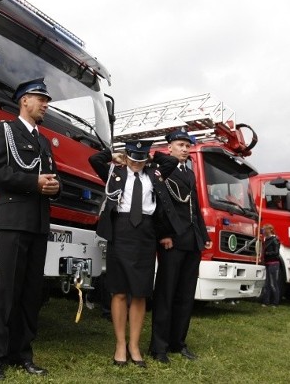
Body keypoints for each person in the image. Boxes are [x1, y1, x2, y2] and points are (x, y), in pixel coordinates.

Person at [0, 78, 60, 380]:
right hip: (13, 221)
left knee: (31, 293)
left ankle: (22, 354)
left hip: (39, 223)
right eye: (41, 98)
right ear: (24, 100)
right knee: (6, 291)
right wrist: (33, 183)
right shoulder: (5, 130)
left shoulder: (43, 140)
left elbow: (52, 177)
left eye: (46, 100)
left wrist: (56, 188)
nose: (45, 105)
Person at [89, 140, 180, 369]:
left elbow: (170, 160)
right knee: (119, 291)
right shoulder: (114, 172)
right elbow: (94, 160)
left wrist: (152, 156)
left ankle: (134, 346)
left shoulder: (154, 173)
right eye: (133, 158)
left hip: (146, 233)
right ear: (127, 155)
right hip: (120, 231)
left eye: (141, 159)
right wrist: (114, 154)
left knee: (140, 292)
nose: (136, 163)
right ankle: (120, 345)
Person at [149, 129, 211, 364]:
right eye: (180, 145)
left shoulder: (190, 173)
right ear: (170, 147)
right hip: (172, 240)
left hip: (191, 240)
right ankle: (159, 347)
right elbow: (159, 203)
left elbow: (194, 206)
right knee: (166, 294)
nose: (185, 149)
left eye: (187, 145)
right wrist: (164, 233)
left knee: (185, 295)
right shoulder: (165, 167)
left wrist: (203, 235)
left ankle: (178, 342)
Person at [260, 224, 281, 307]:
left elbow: (276, 252)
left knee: (273, 283)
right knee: (267, 283)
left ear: (270, 230)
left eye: (265, 229)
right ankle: (266, 301)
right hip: (268, 263)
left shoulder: (274, 239)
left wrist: (267, 253)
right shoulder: (267, 240)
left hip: (273, 263)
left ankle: (275, 302)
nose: (264, 231)